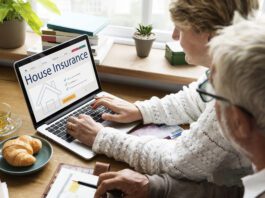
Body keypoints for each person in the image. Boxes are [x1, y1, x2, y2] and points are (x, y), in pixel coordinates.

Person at [67, 0, 258, 186]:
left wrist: (102, 137)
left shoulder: (232, 97)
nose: (174, 36)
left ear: (210, 35)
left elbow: (177, 162)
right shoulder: (235, 63)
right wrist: (140, 110)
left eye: (180, 29)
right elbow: (197, 99)